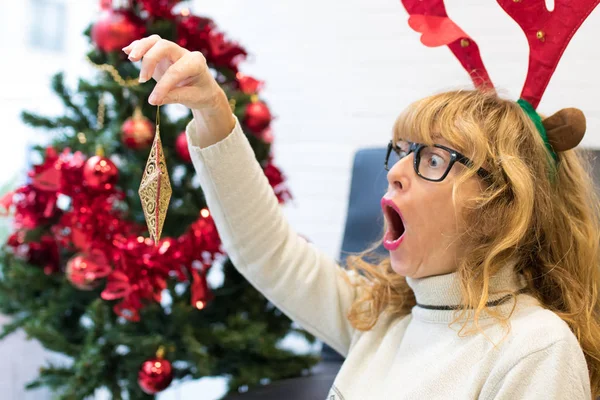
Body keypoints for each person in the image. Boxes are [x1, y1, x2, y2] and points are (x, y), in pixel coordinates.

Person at [123, 35, 600, 400]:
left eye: (432, 160)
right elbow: (266, 252)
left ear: (501, 205)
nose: (394, 171)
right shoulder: (383, 318)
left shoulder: (536, 351)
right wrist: (211, 109)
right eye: (401, 152)